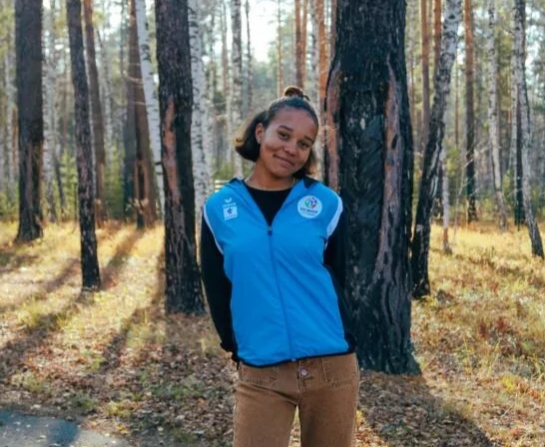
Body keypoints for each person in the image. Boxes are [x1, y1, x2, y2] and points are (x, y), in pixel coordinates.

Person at [200, 86, 359, 447]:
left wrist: (341, 336)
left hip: (331, 367)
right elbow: (217, 288)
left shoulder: (325, 204)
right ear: (261, 132)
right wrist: (237, 346)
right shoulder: (219, 209)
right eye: (283, 135)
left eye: (303, 143)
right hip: (261, 370)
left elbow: (340, 277)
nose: (291, 149)